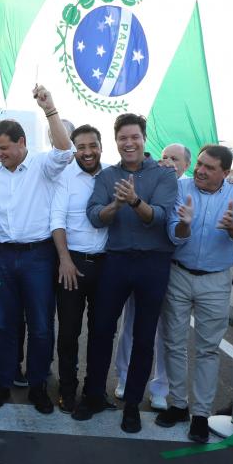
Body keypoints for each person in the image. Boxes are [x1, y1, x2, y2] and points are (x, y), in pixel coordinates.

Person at [75, 113, 178, 434]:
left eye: (134, 137)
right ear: (116, 141)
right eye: (122, 138)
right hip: (116, 262)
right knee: (102, 330)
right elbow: (94, 216)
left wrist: (133, 200)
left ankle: (132, 404)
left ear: (144, 139)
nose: (128, 143)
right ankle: (93, 395)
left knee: (144, 336)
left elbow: (160, 217)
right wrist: (116, 205)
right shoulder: (107, 177)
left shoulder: (164, 174)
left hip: (153, 263)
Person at [0, 85, 73, 413]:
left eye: (4, 148)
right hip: (3, 256)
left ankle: (37, 386)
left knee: (41, 324)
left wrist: (50, 109)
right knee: (4, 324)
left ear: (22, 143)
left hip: (38, 256)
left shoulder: (42, 166)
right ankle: (4, 382)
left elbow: (65, 150)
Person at [157, 145, 233, 443]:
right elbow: (173, 232)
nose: (200, 170)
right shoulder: (180, 187)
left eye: (209, 168)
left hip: (215, 280)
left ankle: (200, 414)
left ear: (225, 173)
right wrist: (184, 224)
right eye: (199, 164)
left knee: (208, 349)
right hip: (179, 274)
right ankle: (177, 405)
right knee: (173, 343)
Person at [113, 143, 190, 409]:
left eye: (175, 159)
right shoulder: (149, 181)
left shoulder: (189, 188)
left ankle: (160, 387)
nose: (168, 162)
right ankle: (124, 377)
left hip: (175, 269)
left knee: (165, 332)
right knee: (131, 327)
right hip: (143, 264)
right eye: (165, 157)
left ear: (186, 165)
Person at [52, 125, 108, 414]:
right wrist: (64, 259)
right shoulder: (65, 178)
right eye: (81, 147)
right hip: (71, 264)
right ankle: (67, 391)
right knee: (69, 333)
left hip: (106, 266)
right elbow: (57, 221)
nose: (87, 152)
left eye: (92, 145)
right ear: (74, 150)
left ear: (101, 146)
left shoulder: (113, 174)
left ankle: (95, 392)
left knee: (102, 333)